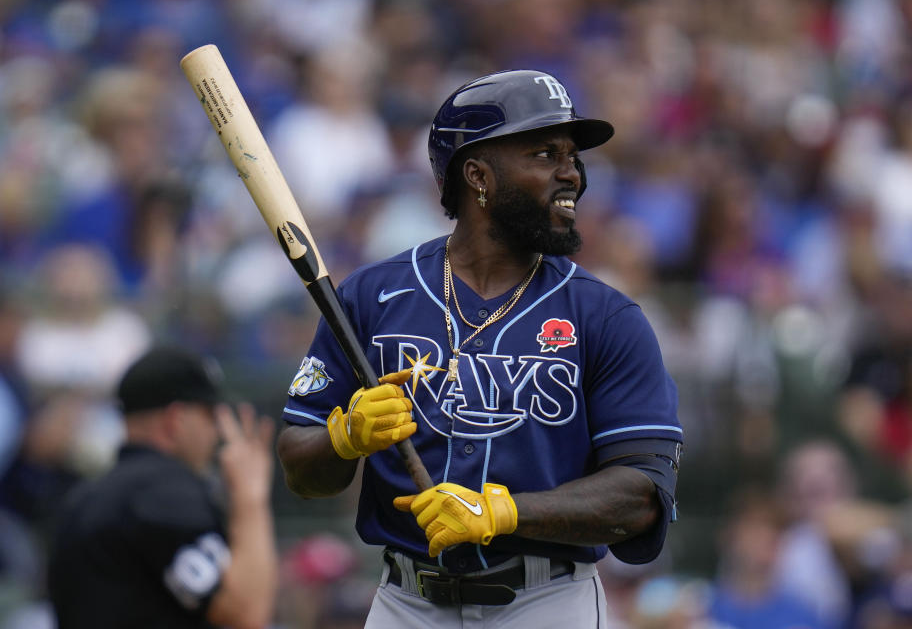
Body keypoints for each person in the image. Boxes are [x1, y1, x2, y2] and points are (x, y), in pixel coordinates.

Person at [278, 70, 683, 627]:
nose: (573, 175)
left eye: (573, 157)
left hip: (546, 604)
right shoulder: (371, 297)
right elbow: (300, 467)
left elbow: (640, 495)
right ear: (478, 176)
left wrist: (503, 511)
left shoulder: (605, 317)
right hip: (406, 602)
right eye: (546, 154)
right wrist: (343, 437)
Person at [47, 345, 277, 629]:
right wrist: (250, 496)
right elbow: (246, 614)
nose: (216, 431)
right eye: (209, 416)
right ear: (175, 420)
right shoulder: (166, 494)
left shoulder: (81, 498)